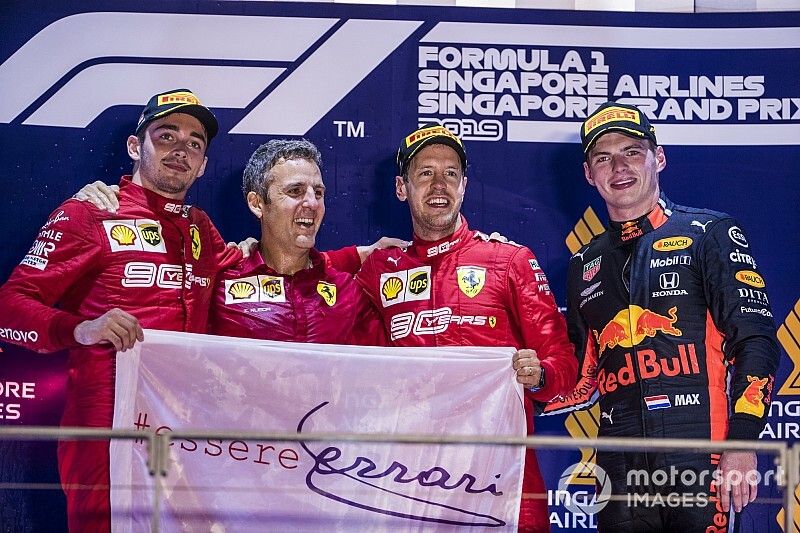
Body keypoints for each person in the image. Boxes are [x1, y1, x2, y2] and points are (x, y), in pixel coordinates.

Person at [0, 89, 240, 531]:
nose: (180, 150)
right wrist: (81, 329)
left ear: (203, 164)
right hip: (103, 431)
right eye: (166, 136)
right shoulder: (90, 212)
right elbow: (8, 308)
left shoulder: (201, 229)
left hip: (181, 436)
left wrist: (358, 256)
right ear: (135, 146)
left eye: (194, 143)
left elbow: (259, 271)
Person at [550, 101, 781, 531]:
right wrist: (520, 378)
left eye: (632, 152)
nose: (618, 167)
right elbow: (581, 379)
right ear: (589, 174)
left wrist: (743, 442)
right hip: (618, 468)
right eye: (603, 158)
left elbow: (757, 342)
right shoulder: (584, 263)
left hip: (698, 452)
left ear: (658, 157)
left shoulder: (708, 233)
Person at [354, 124, 578, 532]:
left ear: (464, 186)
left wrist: (539, 374)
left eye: (451, 174)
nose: (439, 184)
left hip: (503, 471)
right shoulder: (379, 270)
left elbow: (563, 364)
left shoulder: (509, 260)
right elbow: (314, 288)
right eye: (425, 173)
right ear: (402, 188)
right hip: (411, 474)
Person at [208, 138, 386, 344]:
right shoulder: (219, 283)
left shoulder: (347, 291)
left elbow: (382, 368)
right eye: (295, 191)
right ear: (257, 204)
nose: (312, 202)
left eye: (318, 193)